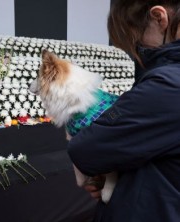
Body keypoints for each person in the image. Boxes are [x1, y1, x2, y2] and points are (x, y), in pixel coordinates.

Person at [68, 0, 180, 221]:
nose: (137, 52)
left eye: (135, 40)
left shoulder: (168, 84)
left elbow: (85, 150)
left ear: (159, 18)